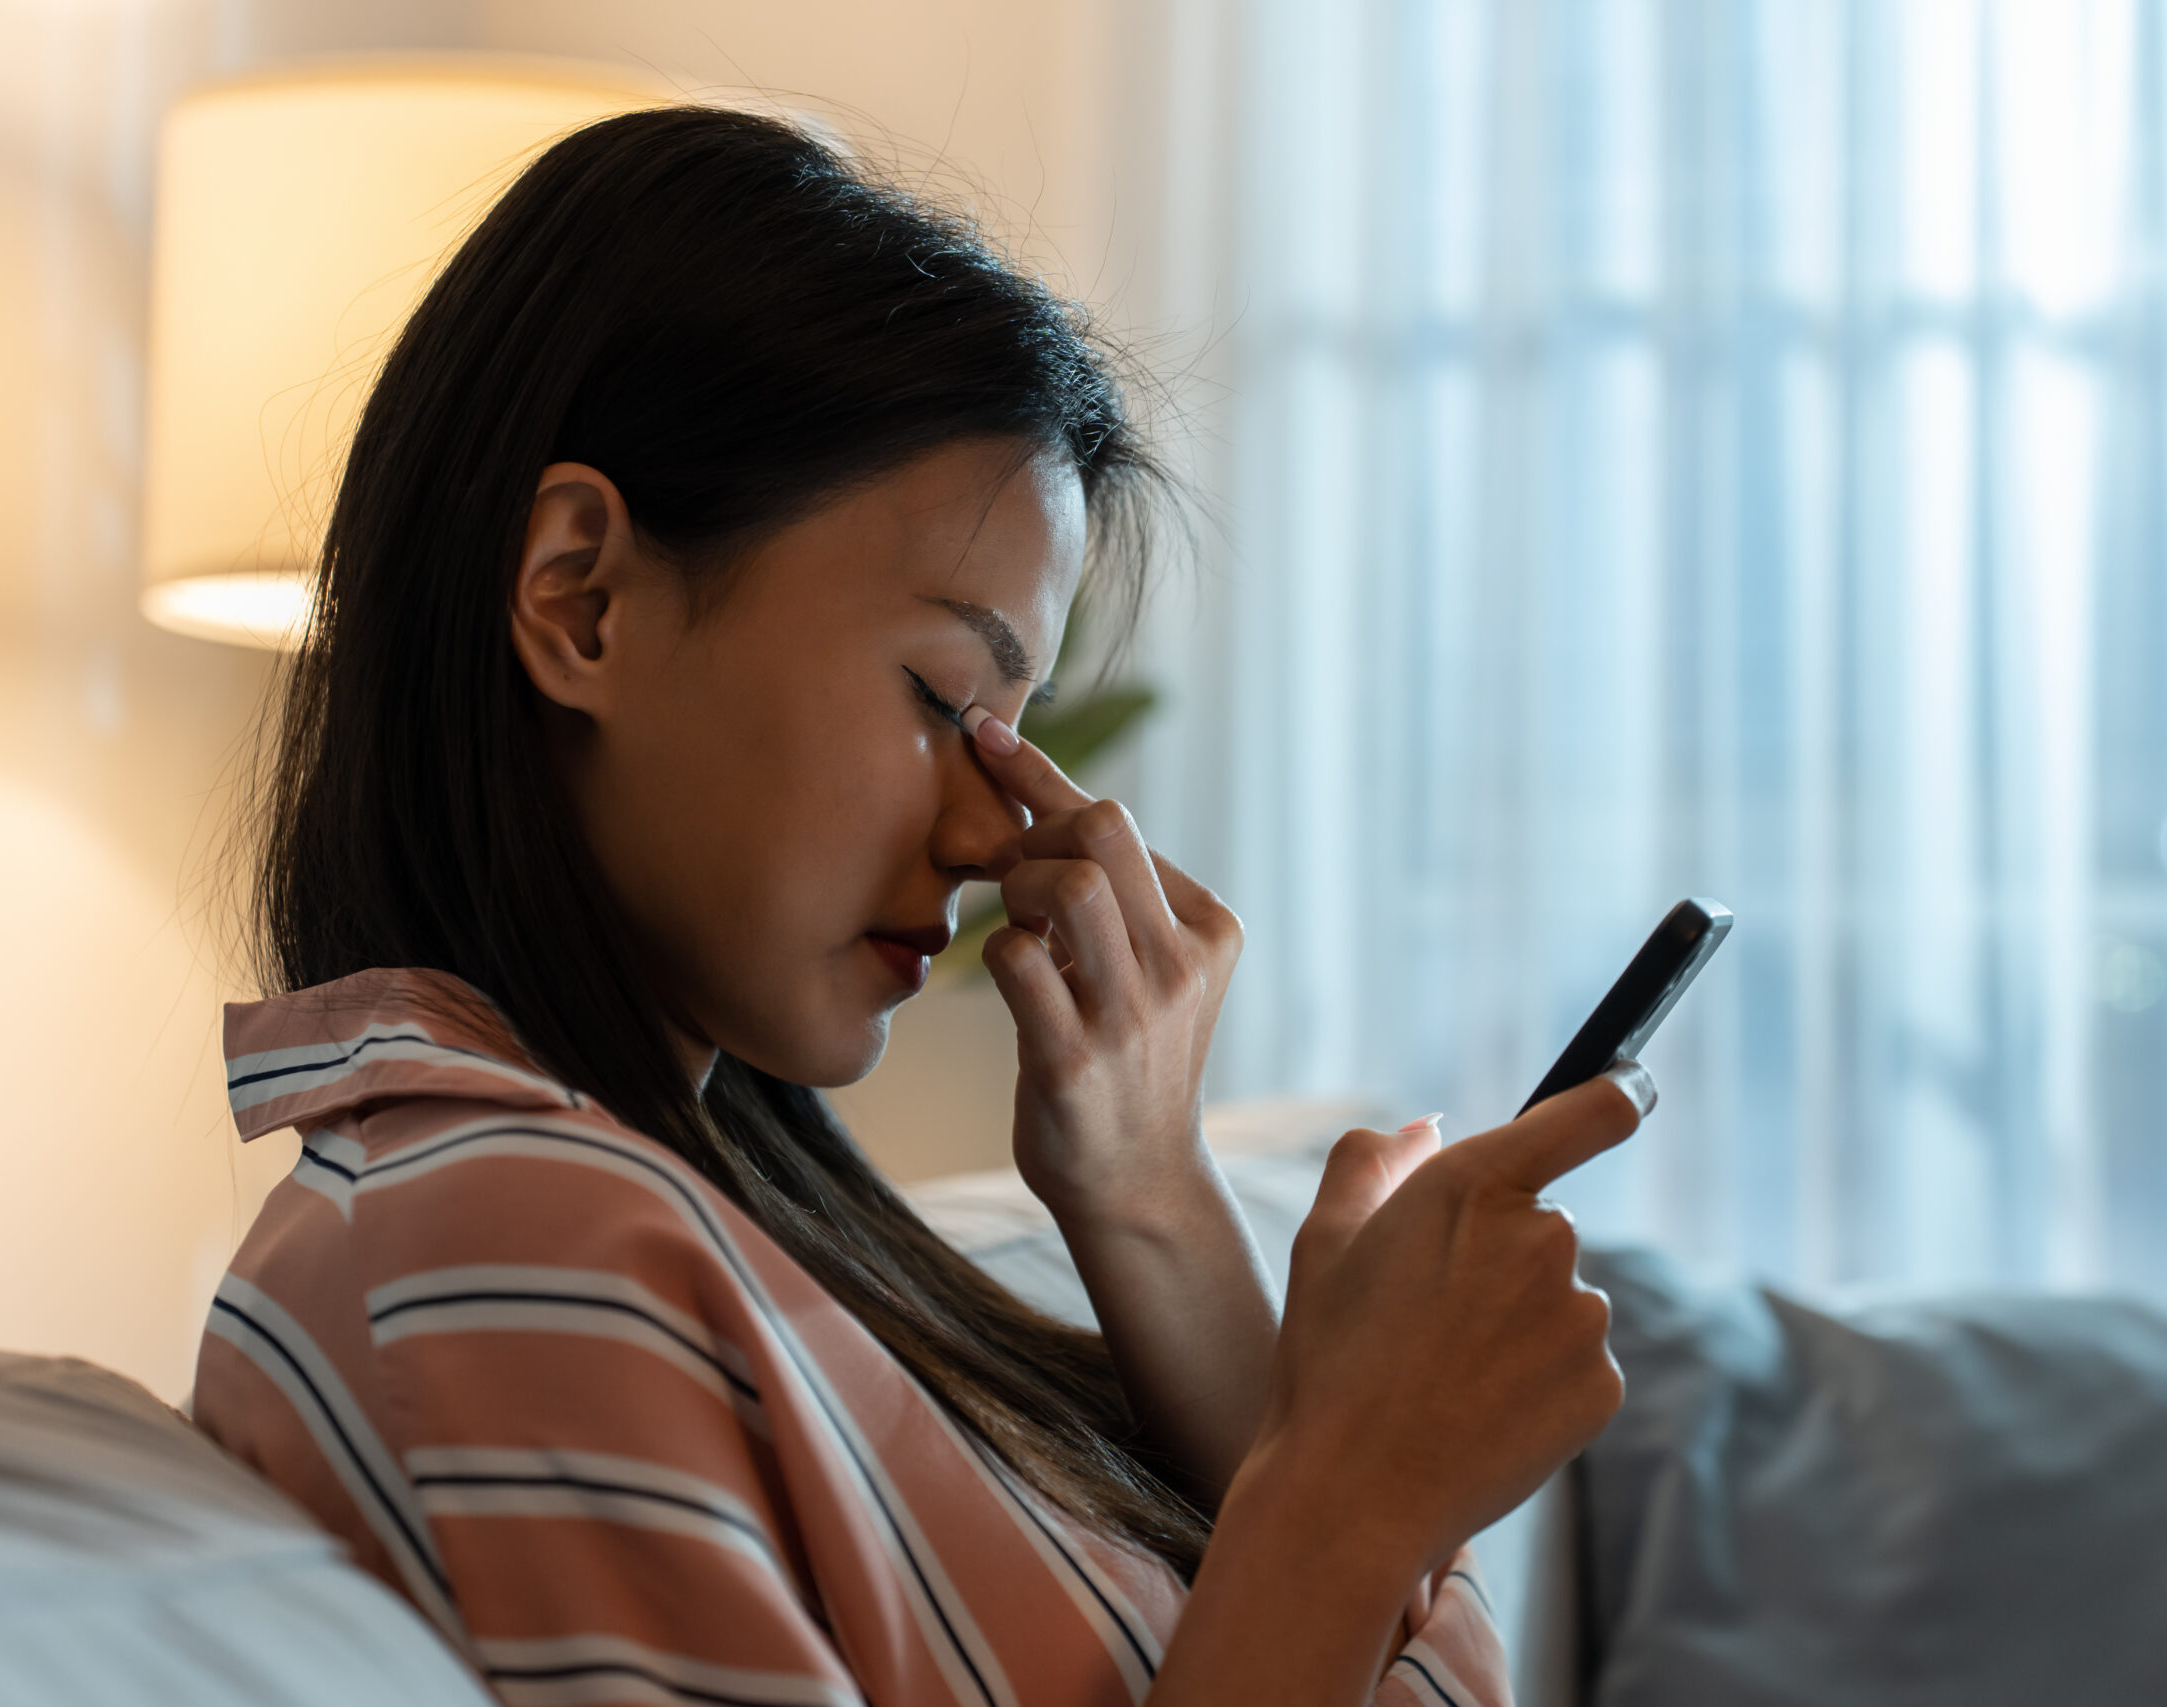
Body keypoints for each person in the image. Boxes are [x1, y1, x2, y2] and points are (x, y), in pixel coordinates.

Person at [192, 104, 1647, 1707]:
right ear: (580, 596)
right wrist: (1356, 1499)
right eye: (946, 698)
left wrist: (1152, 1197)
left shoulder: (730, 1235)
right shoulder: (499, 1239)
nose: (988, 827)